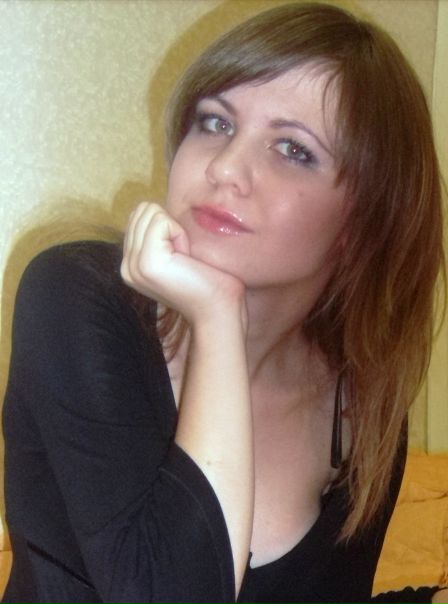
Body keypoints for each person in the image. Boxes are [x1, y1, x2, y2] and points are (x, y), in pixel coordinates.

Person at [2, 2, 447, 603]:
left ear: (361, 225)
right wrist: (217, 318)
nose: (227, 167)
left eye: (293, 150)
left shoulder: (358, 405)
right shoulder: (76, 300)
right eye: (215, 122)